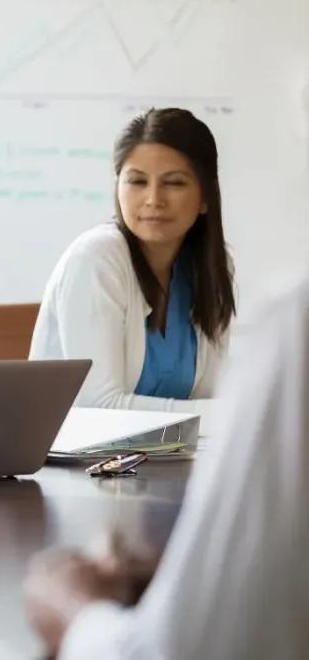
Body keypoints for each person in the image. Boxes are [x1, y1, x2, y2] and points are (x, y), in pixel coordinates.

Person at [23, 268, 309, 659]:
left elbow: (183, 652)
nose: (154, 202)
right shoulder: (97, 263)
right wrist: (200, 572)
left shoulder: (293, 322)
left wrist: (76, 613)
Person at [29, 108, 236, 417]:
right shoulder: (97, 258)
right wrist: (231, 414)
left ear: (206, 196)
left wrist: (228, 415)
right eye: (137, 182)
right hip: (76, 460)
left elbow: (208, 398)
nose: (153, 198)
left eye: (174, 183)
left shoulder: (213, 268)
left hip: (168, 458)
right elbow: (100, 408)